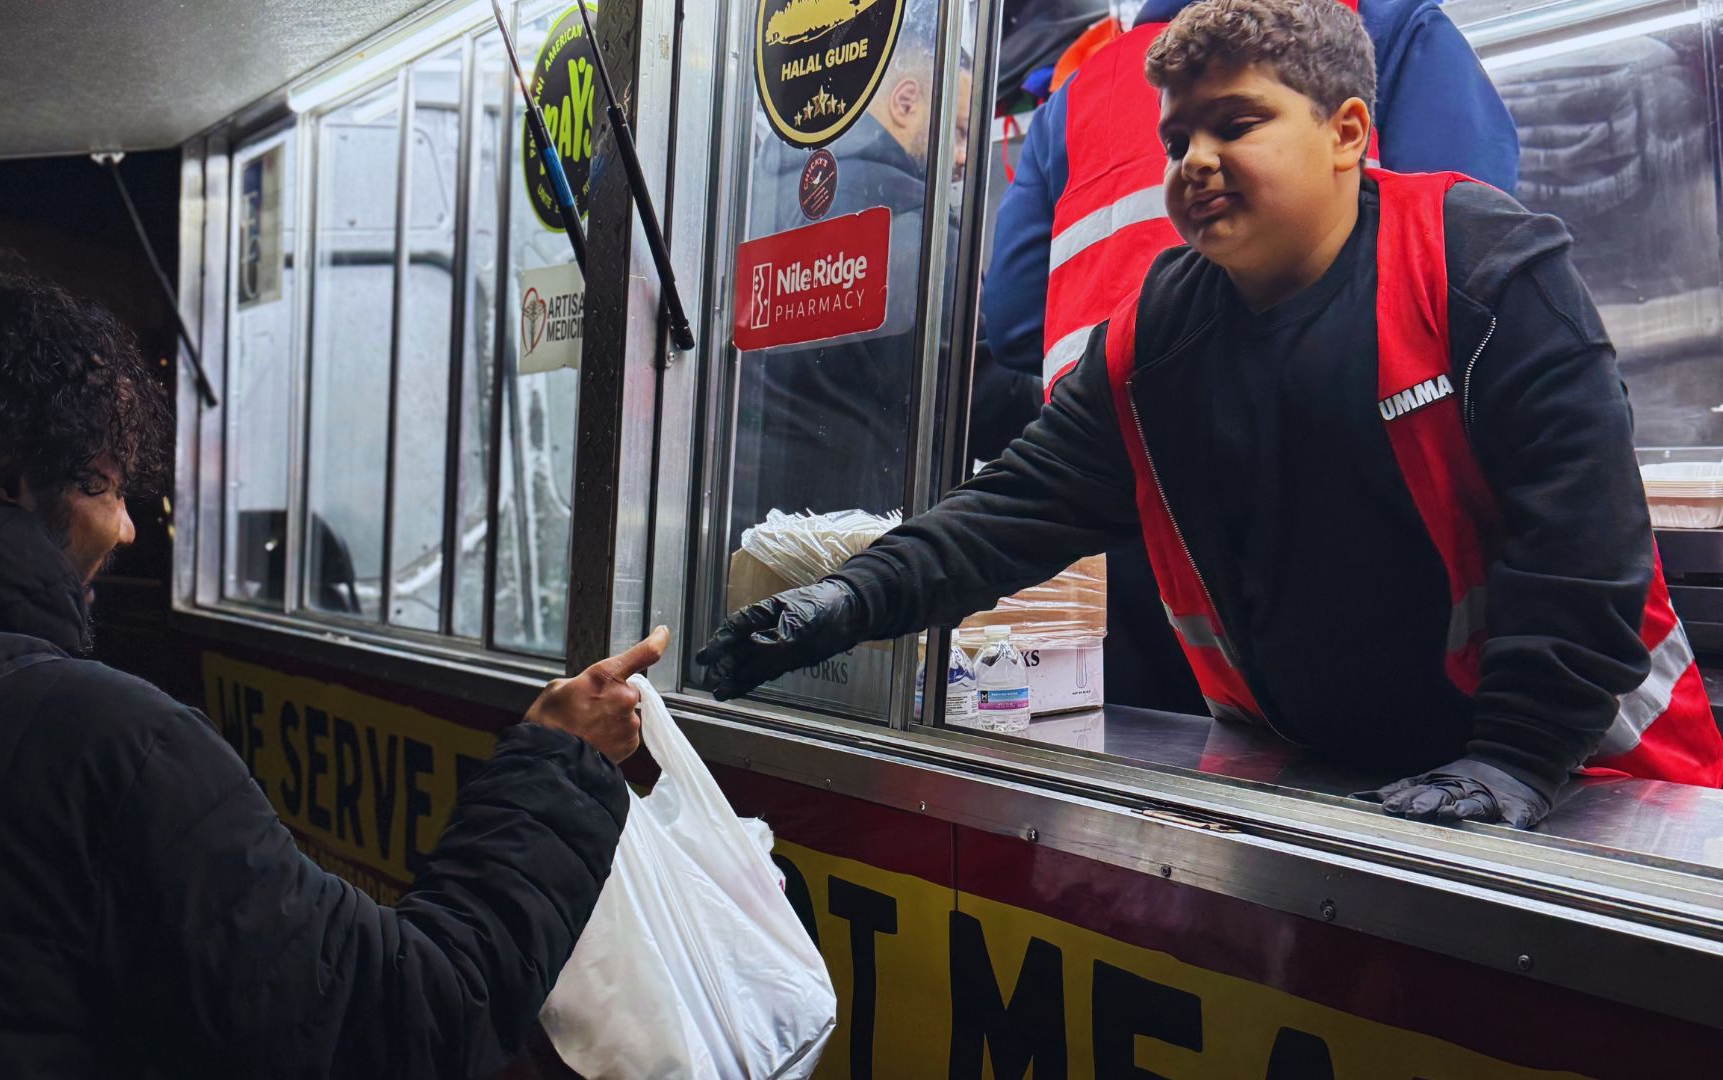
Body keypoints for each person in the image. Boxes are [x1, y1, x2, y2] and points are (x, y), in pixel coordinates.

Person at [700, 0, 1723, 830]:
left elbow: (1582, 548)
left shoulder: (1482, 269)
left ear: (1348, 135)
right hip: (1349, 789)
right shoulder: (1153, 340)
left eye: (1236, 124)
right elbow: (1008, 513)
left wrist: (1514, 757)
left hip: (1593, 787)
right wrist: (838, 603)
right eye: (1178, 136)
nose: (1193, 159)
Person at [0, 251, 665, 1077]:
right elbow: (407, 1016)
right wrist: (560, 762)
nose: (128, 528)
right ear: (9, 480)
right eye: (104, 487)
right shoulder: (103, 745)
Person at [985, 0, 1520, 713]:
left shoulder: (1076, 94)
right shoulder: (1380, 24)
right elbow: (1471, 248)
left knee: (1159, 780)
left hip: (1122, 523)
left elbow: (1016, 322)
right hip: (1348, 500)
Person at [734, 15, 1040, 535]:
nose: (965, 157)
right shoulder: (909, 218)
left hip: (750, 515)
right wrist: (1060, 399)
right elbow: (972, 393)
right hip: (858, 533)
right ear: (904, 102)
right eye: (961, 131)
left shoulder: (761, 195)